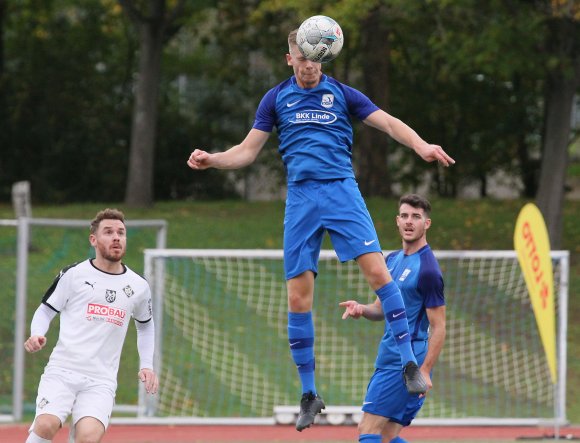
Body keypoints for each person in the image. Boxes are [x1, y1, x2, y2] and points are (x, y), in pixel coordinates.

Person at [187, 29, 454, 432]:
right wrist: (213, 160)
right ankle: (309, 394)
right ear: (289, 58)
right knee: (297, 297)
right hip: (301, 199)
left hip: (342, 192)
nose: (311, 65)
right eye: (303, 57)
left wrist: (420, 146)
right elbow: (246, 151)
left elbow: (388, 123)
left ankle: (408, 364)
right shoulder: (275, 99)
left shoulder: (343, 94)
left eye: (317, 58)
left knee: (380, 274)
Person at [23, 208, 158, 443]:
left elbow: (145, 326)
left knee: (88, 437)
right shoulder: (74, 275)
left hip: (101, 380)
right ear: (93, 240)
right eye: (108, 232)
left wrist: (147, 365)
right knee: (46, 425)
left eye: (121, 232)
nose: (116, 237)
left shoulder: (138, 286)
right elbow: (45, 310)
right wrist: (37, 334)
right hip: (62, 371)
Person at [340, 194, 446, 443]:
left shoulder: (428, 270)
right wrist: (361, 309)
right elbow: (381, 309)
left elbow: (439, 326)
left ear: (426, 224)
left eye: (416, 217)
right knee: (387, 436)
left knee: (368, 429)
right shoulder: (391, 260)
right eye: (405, 216)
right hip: (389, 354)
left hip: (405, 362)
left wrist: (425, 371)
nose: (410, 222)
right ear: (397, 221)